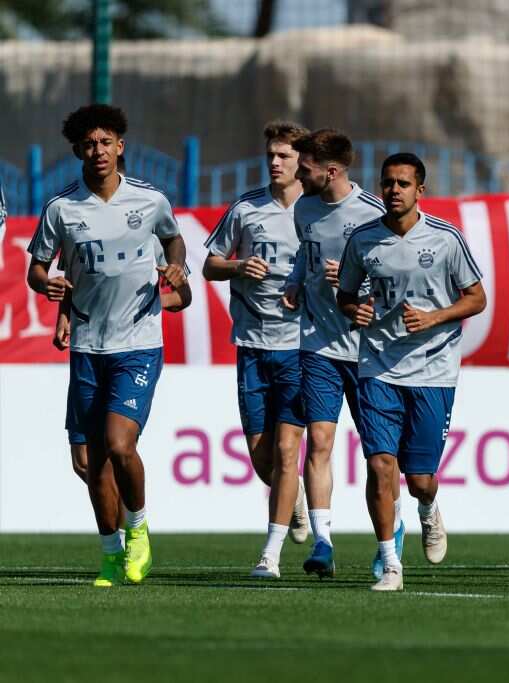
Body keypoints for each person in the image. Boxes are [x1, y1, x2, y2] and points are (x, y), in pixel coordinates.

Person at [26, 104, 188, 586]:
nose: (98, 151)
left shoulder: (150, 200)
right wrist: (47, 285)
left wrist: (176, 267)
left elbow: (174, 243)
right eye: (89, 144)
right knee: (92, 460)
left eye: (106, 142)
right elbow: (36, 268)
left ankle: (138, 531)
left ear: (120, 146)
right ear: (79, 150)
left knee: (120, 443)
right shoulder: (61, 208)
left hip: (138, 341)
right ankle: (111, 554)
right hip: (88, 344)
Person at [338, 152, 487, 591]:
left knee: (420, 478)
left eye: (403, 183)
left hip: (433, 369)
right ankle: (390, 562)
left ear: (420, 190)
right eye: (388, 183)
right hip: (378, 366)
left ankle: (427, 508)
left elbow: (477, 298)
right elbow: (344, 295)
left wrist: (436, 316)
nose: (394, 190)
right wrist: (355, 310)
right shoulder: (363, 240)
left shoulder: (445, 239)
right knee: (381, 465)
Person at [203, 121, 311, 578]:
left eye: (284, 155)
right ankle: (295, 497)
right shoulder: (246, 209)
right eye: (270, 154)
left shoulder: (319, 212)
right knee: (264, 460)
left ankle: (271, 554)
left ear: (302, 161)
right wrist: (238, 266)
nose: (274, 162)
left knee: (289, 451)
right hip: (251, 344)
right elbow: (209, 266)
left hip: (301, 348)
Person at [282, 129, 388, 579]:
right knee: (319, 442)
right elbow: (306, 257)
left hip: (370, 352)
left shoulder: (376, 214)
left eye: (303, 169)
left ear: (330, 171)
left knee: (381, 456)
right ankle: (324, 542)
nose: (295, 174)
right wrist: (296, 279)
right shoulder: (303, 208)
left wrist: (354, 281)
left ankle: (407, 519)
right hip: (319, 344)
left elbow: (397, 279)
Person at [57, 234, 192, 539]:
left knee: (117, 446)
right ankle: (125, 531)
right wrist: (63, 316)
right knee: (84, 462)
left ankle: (129, 537)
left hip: (132, 350)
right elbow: (71, 281)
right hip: (88, 347)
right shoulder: (81, 222)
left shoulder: (151, 229)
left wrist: (153, 302)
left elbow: (185, 295)